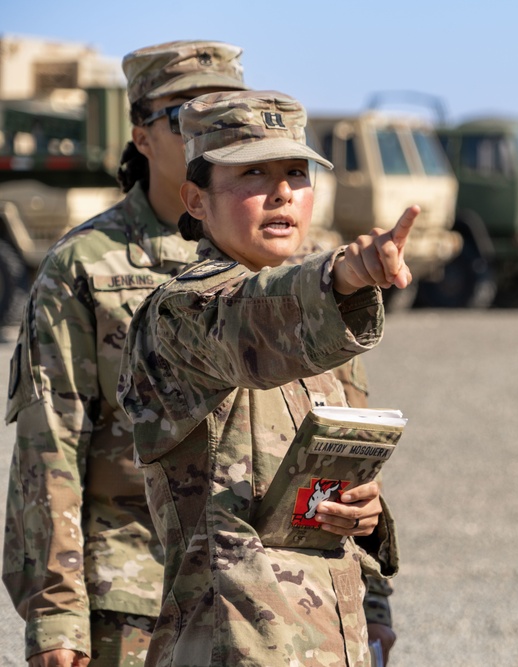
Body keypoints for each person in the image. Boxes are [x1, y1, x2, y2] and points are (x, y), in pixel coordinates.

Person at [116, 89, 413, 667]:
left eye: (296, 173)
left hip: (327, 642)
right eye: (254, 172)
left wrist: (363, 515)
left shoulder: (314, 323)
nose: (282, 192)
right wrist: (346, 274)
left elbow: (310, 491)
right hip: (229, 645)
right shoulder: (181, 314)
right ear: (195, 200)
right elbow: (252, 315)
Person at [3, 40, 248, 667]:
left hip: (263, 601)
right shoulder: (86, 265)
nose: (207, 129)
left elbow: (337, 435)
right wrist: (56, 616)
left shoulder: (273, 260)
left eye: (226, 109)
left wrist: (371, 599)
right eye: (183, 113)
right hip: (137, 598)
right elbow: (49, 446)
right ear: (140, 134)